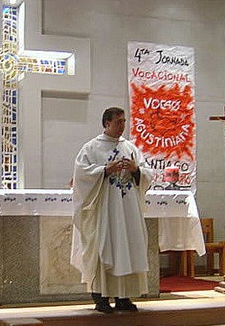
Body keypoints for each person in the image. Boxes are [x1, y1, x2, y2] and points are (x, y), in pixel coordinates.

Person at [70, 107, 153, 313]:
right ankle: (100, 298)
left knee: (127, 248)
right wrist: (106, 170)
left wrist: (136, 170)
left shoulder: (130, 148)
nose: (122, 126)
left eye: (124, 121)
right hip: (104, 210)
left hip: (127, 211)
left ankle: (123, 297)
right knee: (104, 247)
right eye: (118, 122)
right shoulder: (91, 148)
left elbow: (148, 173)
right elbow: (81, 175)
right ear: (107, 123)